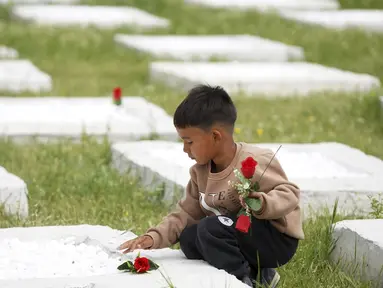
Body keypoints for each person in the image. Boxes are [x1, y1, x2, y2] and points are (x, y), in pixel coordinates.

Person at [118, 84, 304, 287]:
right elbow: (185, 214)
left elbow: (290, 193)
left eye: (189, 141)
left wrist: (262, 203)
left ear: (215, 136)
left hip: (274, 240)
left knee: (209, 228)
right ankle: (261, 273)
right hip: (235, 234)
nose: (184, 149)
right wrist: (153, 238)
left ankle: (245, 280)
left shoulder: (255, 160)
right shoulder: (200, 172)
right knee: (189, 238)